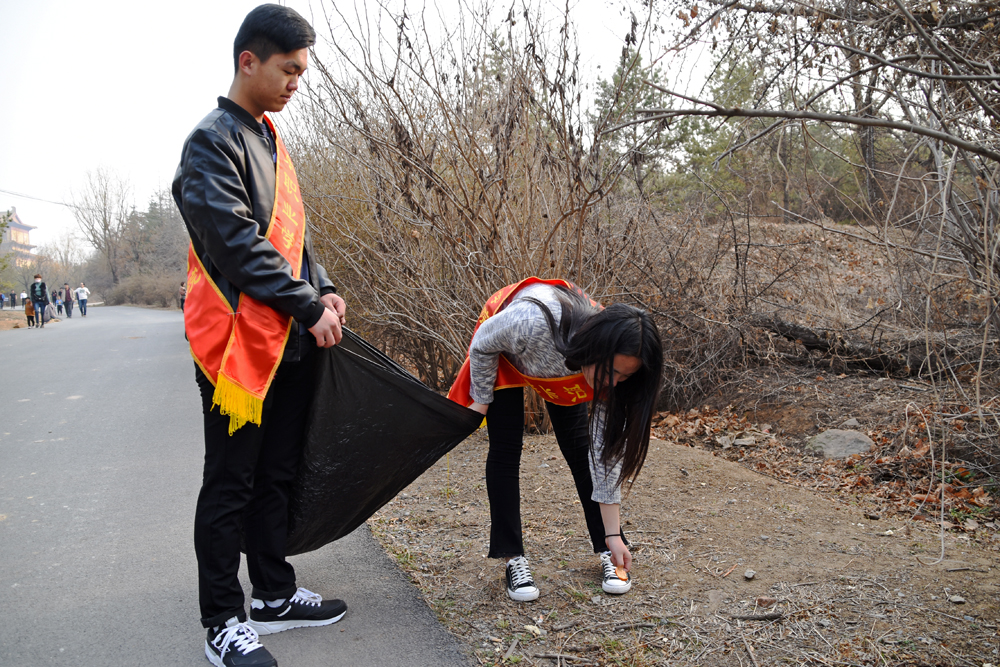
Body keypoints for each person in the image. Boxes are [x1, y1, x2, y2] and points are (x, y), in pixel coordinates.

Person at [172, 6, 348, 666]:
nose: (296, 83)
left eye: (302, 72)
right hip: (237, 351)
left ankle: (273, 594)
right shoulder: (211, 142)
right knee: (231, 482)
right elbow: (237, 244)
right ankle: (222, 619)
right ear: (249, 61)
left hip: (289, 341)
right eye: (288, 69)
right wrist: (306, 304)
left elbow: (298, 243)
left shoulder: (271, 138)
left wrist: (322, 288)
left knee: (276, 473)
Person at [448, 278, 663, 602]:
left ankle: (606, 547)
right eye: (612, 372)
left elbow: (603, 457)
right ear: (597, 349)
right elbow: (483, 341)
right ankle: (513, 557)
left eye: (625, 376)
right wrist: (480, 400)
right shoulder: (529, 323)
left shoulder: (613, 368)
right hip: (504, 351)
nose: (614, 383)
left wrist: (613, 533)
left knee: (580, 450)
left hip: (568, 362)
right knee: (506, 448)